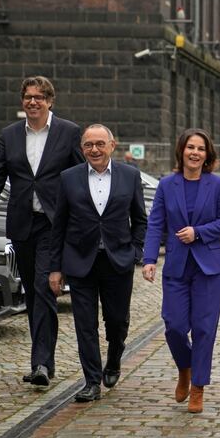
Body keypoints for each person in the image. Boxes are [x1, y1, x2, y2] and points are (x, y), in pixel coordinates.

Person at [0, 76, 84, 386]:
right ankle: (42, 361)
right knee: (33, 295)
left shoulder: (68, 132)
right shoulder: (9, 135)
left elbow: (79, 177)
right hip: (23, 224)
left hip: (53, 223)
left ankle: (42, 364)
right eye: (28, 97)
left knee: (42, 286)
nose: (33, 102)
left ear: (50, 101)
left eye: (39, 97)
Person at [49, 125, 147, 402]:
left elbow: (140, 219)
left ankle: (114, 358)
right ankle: (92, 381)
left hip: (118, 262)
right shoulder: (69, 178)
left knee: (117, 322)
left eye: (100, 144)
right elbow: (59, 226)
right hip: (80, 262)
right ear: (82, 148)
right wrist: (55, 267)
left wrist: (136, 251)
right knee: (84, 324)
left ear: (112, 145)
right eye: (89, 145)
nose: (94, 149)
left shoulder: (130, 175)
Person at [142, 128, 220, 413]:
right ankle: (185, 367)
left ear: (207, 155)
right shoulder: (167, 185)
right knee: (174, 326)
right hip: (177, 266)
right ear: (181, 150)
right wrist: (149, 260)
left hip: (209, 268)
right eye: (190, 147)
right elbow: (156, 223)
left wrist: (199, 232)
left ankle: (198, 388)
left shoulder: (217, 185)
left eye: (201, 149)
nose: (195, 153)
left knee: (205, 329)